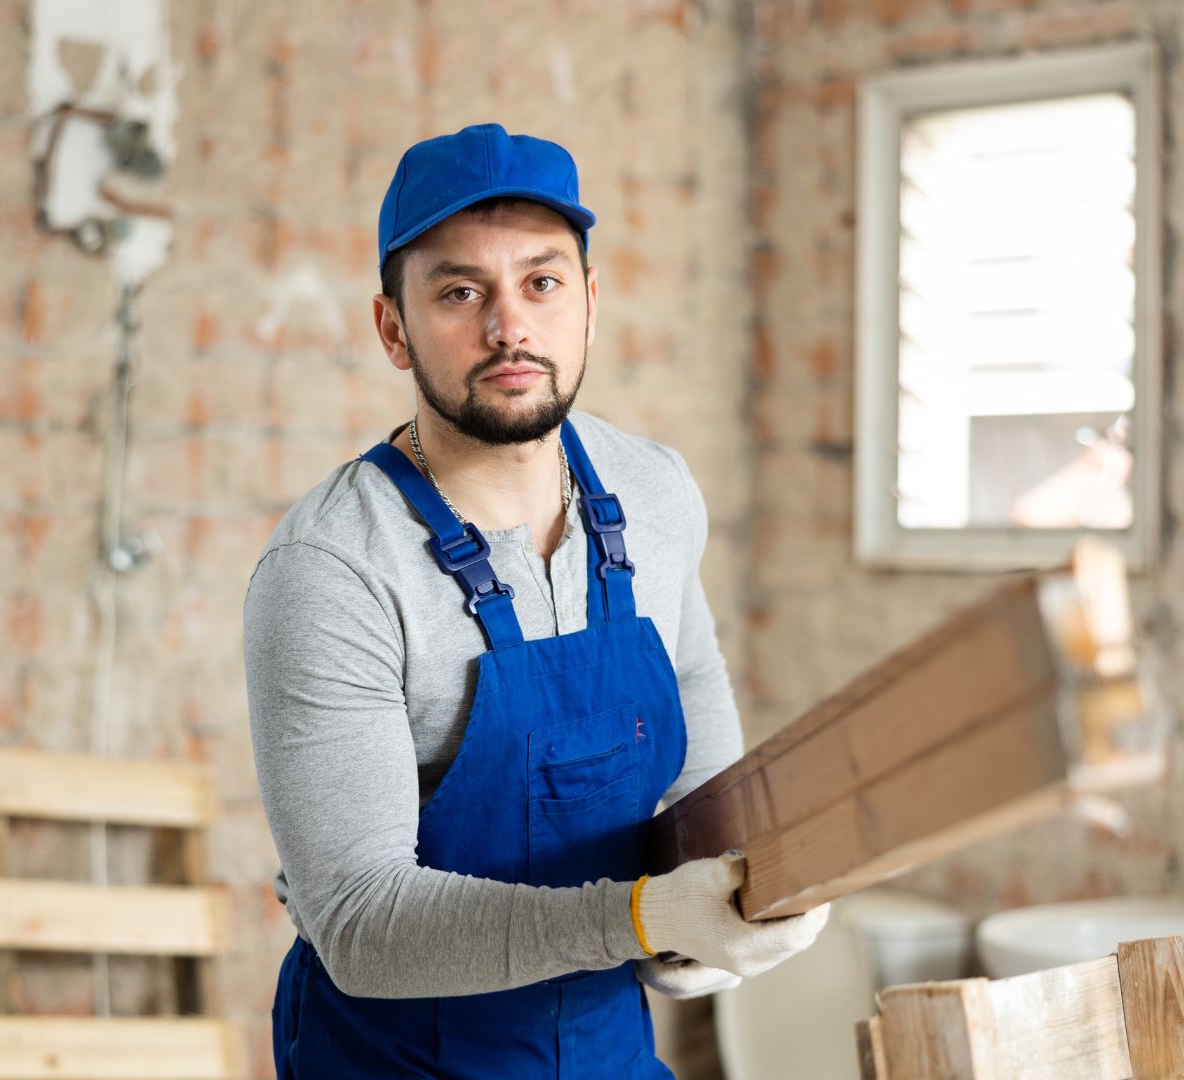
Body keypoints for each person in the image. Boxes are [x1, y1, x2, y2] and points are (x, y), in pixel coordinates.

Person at [243, 122, 829, 1078]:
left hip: (605, 1050)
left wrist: (718, 928)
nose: (508, 326)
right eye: (459, 291)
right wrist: (642, 916)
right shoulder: (331, 569)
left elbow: (699, 764)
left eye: (541, 282)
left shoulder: (657, 494)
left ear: (590, 304)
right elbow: (362, 922)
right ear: (393, 328)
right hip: (399, 1061)